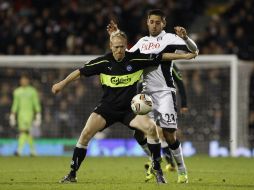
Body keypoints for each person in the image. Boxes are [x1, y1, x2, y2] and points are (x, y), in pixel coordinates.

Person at [52, 30, 197, 184]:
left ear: (126, 46)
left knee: (151, 129)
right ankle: (72, 174)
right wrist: (61, 84)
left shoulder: (135, 59)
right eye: (116, 47)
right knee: (85, 134)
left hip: (130, 109)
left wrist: (184, 56)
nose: (119, 50)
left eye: (121, 47)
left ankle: (158, 170)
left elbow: (161, 56)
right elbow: (79, 72)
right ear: (110, 46)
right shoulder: (103, 62)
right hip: (107, 109)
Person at [107, 9, 198, 183]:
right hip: (145, 95)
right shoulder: (142, 42)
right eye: (151, 21)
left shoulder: (170, 38)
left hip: (165, 92)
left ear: (163, 23)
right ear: (147, 22)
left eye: (158, 22)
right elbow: (126, 56)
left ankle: (182, 170)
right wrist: (116, 35)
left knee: (169, 134)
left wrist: (186, 38)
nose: (154, 25)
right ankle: (155, 161)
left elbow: (194, 50)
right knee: (139, 133)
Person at [9, 74, 42, 156]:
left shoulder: (32, 91)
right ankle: (32, 151)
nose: (23, 81)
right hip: (20, 115)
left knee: (24, 132)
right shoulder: (17, 92)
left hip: (29, 114)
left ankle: (19, 150)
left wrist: (38, 114)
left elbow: (36, 103)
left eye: (25, 80)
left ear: (28, 81)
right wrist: (12, 115)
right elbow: (15, 104)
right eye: (22, 80)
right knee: (26, 132)